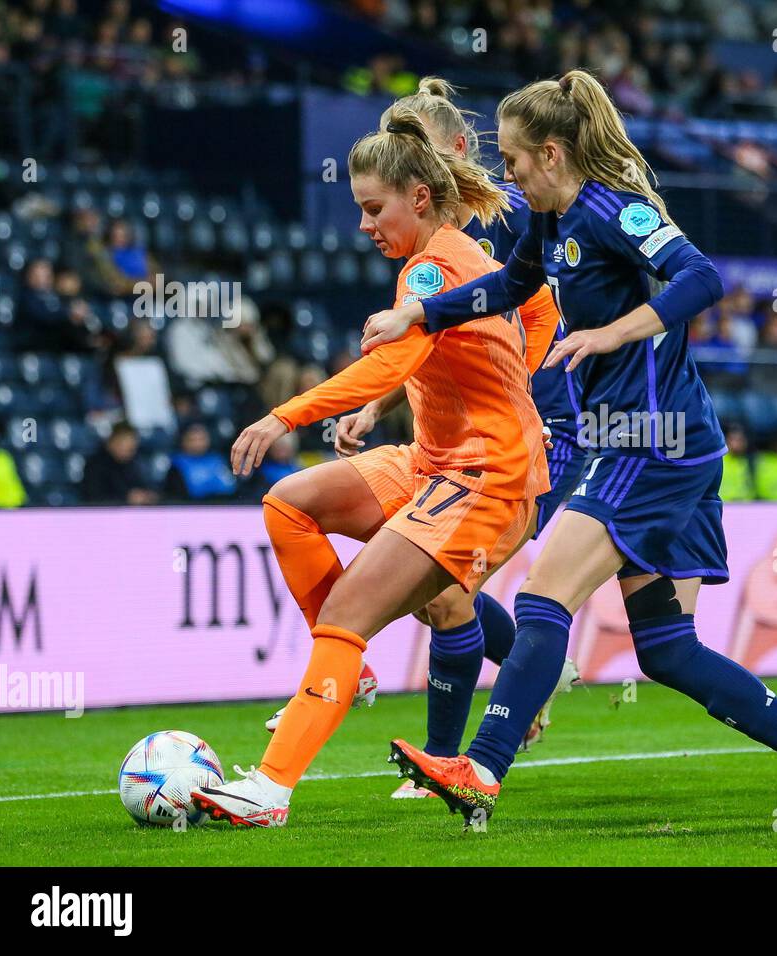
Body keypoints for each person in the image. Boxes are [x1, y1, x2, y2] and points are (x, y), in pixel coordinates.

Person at [362, 70, 777, 827]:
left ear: (553, 153)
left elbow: (703, 277)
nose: (506, 174)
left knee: (542, 598)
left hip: (652, 441)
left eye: (513, 159)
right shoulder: (548, 221)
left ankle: (482, 770)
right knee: (667, 650)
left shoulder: (615, 211)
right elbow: (507, 288)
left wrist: (614, 330)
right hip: (649, 440)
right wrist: (421, 315)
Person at [191, 105, 557, 828]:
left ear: (417, 197)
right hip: (431, 461)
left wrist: (281, 415)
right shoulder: (470, 256)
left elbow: (391, 355)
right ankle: (351, 668)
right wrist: (505, 378)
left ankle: (270, 789)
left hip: (485, 479)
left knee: (354, 611)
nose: (364, 226)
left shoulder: (432, 269)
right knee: (290, 503)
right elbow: (540, 309)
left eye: (372, 208)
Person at [82, 421, 157, 505]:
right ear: (111, 442)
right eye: (123, 445)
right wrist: (126, 498)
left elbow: (143, 488)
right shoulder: (95, 465)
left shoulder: (134, 464)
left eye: (131, 448)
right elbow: (94, 498)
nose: (129, 451)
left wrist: (147, 496)